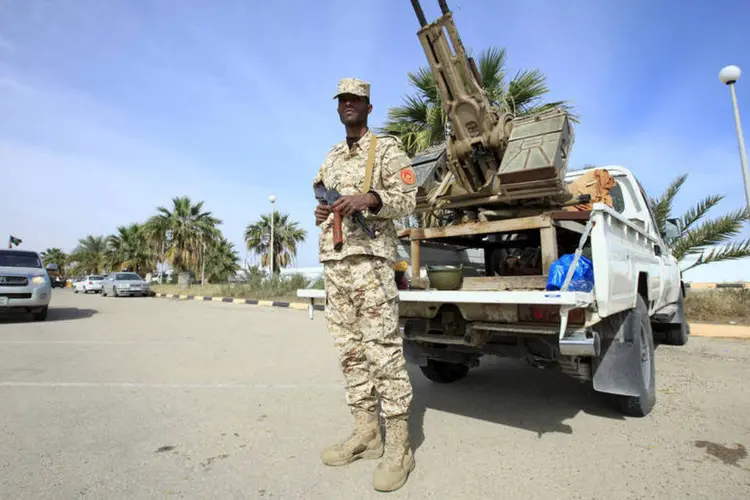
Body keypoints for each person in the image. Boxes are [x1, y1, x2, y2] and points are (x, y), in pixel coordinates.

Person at [312, 77, 418, 492]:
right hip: (335, 263)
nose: (349, 105)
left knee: (383, 351)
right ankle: (367, 434)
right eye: (343, 100)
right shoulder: (332, 156)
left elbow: (409, 197)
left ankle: (399, 447)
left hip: (371, 263)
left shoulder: (387, 148)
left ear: (369, 107)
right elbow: (321, 194)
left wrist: (368, 199)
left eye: (356, 99)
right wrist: (324, 211)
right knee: (351, 352)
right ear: (338, 108)